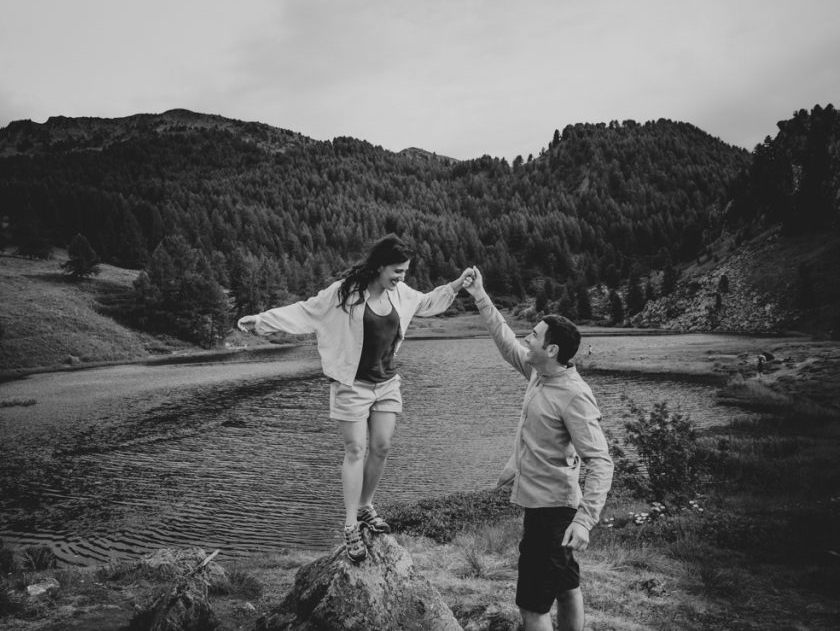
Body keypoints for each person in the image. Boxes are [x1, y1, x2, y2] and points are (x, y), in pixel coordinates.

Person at [238, 234, 474, 563]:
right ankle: (350, 524)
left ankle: (366, 505)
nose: (402, 278)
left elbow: (428, 302)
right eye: (397, 271)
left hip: (387, 383)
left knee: (381, 446)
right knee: (355, 450)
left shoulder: (401, 294)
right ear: (379, 266)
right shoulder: (344, 293)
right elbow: (305, 311)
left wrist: (457, 284)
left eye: (405, 271)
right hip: (352, 385)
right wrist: (262, 321)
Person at [464, 266, 613, 631]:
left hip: (555, 512)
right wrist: (481, 296)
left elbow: (601, 461)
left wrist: (584, 519)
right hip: (544, 505)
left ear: (552, 349)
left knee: (532, 607)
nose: (526, 339)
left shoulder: (574, 396)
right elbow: (505, 341)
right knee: (566, 586)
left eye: (534, 335)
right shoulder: (538, 372)